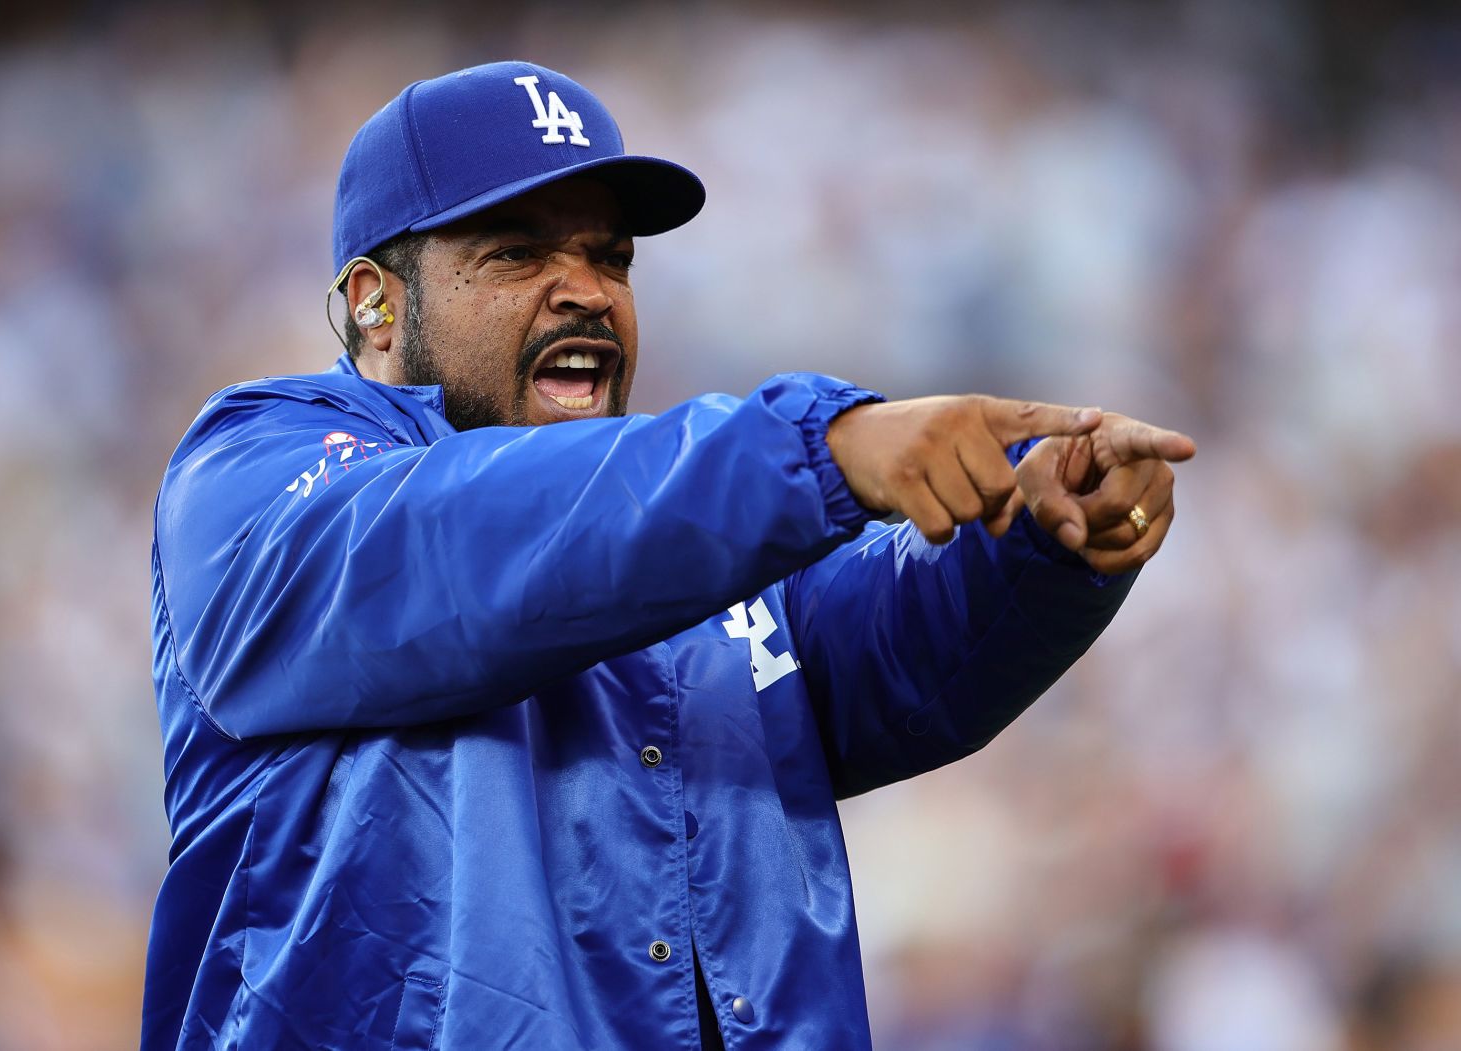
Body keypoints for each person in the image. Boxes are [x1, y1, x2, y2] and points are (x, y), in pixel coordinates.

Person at [141, 61, 1193, 1050]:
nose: (586, 290)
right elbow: (458, 544)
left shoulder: (691, 541)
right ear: (374, 301)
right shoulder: (250, 474)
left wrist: (1037, 543)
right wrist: (815, 447)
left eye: (608, 256)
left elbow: (885, 657)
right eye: (516, 253)